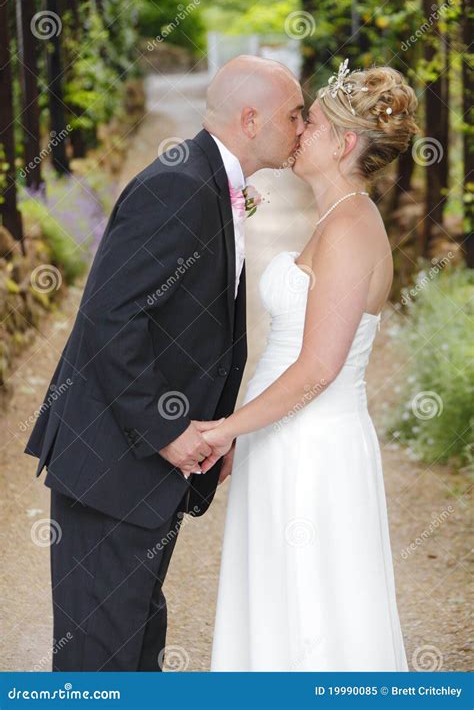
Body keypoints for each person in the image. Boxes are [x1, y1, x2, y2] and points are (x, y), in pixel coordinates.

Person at [23, 55, 305, 671]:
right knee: (99, 660)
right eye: (295, 114)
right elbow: (109, 317)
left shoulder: (210, 181)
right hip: (112, 461)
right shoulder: (178, 186)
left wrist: (217, 427)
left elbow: (198, 329)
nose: (303, 126)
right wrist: (168, 429)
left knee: (136, 638)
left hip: (142, 470)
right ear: (251, 119)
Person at [204, 62, 419, 671]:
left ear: (345, 144)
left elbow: (320, 366)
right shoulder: (334, 217)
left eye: (313, 123)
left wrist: (224, 430)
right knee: (282, 595)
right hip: (282, 437)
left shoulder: (352, 226)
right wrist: (247, 435)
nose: (299, 133)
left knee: (310, 608)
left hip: (312, 447)